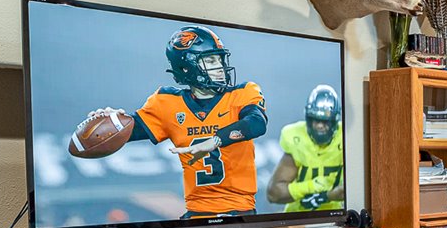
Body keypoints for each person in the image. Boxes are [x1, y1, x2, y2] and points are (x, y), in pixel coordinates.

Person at [67, 24, 266, 217]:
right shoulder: (167, 103)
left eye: (220, 60)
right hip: (196, 214)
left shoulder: (243, 93)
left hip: (240, 213)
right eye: (211, 61)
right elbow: (127, 131)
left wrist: (214, 140)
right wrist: (113, 120)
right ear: (187, 67)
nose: (221, 68)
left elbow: (257, 123)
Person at [269, 84, 345, 212]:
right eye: (316, 120)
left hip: (334, 218)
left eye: (325, 121)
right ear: (309, 119)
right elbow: (274, 193)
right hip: (297, 218)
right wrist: (312, 186)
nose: (320, 126)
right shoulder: (297, 138)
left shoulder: (345, 137)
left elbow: (356, 187)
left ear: (334, 121)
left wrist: (324, 197)